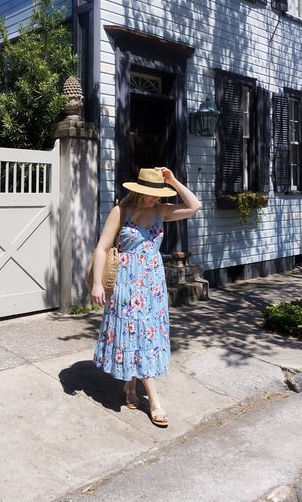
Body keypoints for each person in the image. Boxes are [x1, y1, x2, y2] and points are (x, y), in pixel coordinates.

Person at [91, 166, 201, 427]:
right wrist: (97, 284)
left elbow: (195, 206)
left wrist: (173, 181)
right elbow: (101, 248)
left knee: (145, 335)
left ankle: (130, 387)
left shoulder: (162, 211)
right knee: (135, 334)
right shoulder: (122, 211)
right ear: (139, 192)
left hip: (152, 286)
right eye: (151, 195)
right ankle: (154, 401)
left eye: (158, 194)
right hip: (126, 283)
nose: (155, 199)